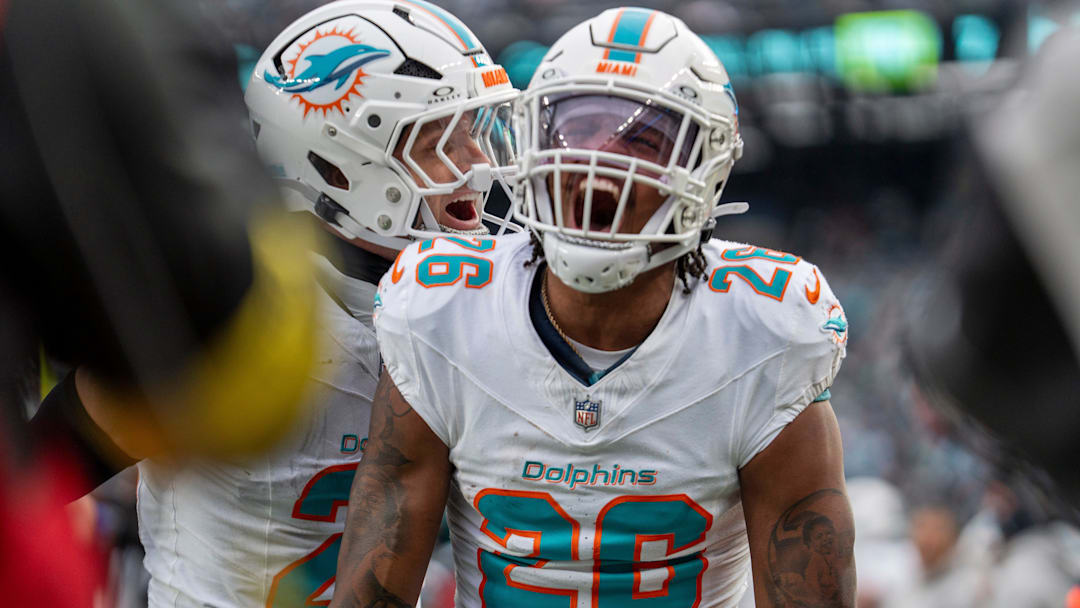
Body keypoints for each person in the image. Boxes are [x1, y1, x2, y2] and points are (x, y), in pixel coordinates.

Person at [332, 7, 854, 608]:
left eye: (643, 140)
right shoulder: (444, 310)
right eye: (576, 132)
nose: (599, 161)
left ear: (703, 173)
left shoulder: (764, 332)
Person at [33, 1, 517, 606]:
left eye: (473, 130)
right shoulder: (237, 305)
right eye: (437, 142)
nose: (478, 166)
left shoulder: (474, 299)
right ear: (338, 166)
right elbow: (43, 471)